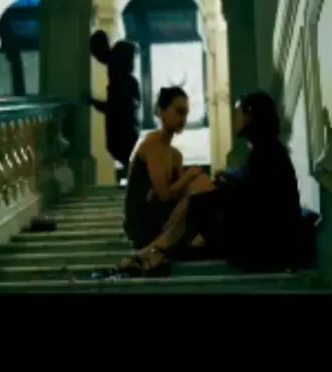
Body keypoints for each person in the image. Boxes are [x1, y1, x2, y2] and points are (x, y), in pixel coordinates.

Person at [108, 91, 304, 277]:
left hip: (268, 244)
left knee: (201, 199)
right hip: (258, 235)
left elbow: (258, 202)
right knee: (201, 198)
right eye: (179, 111)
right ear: (161, 112)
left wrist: (223, 185)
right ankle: (156, 251)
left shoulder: (268, 153)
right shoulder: (266, 151)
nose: (235, 117)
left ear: (251, 116)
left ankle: (154, 251)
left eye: (239, 112)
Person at [123, 86, 203, 254]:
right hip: (143, 225)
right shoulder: (151, 144)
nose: (183, 119)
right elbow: (164, 194)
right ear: (162, 112)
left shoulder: (175, 155)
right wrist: (189, 176)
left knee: (202, 185)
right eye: (179, 112)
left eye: (186, 114)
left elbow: (179, 194)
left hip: (164, 219)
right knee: (198, 181)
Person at [89, 30, 141, 177]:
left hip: (123, 133)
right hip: (124, 132)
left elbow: (117, 108)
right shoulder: (124, 80)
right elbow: (118, 107)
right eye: (131, 60)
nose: (133, 64)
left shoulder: (122, 81)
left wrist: (95, 103)